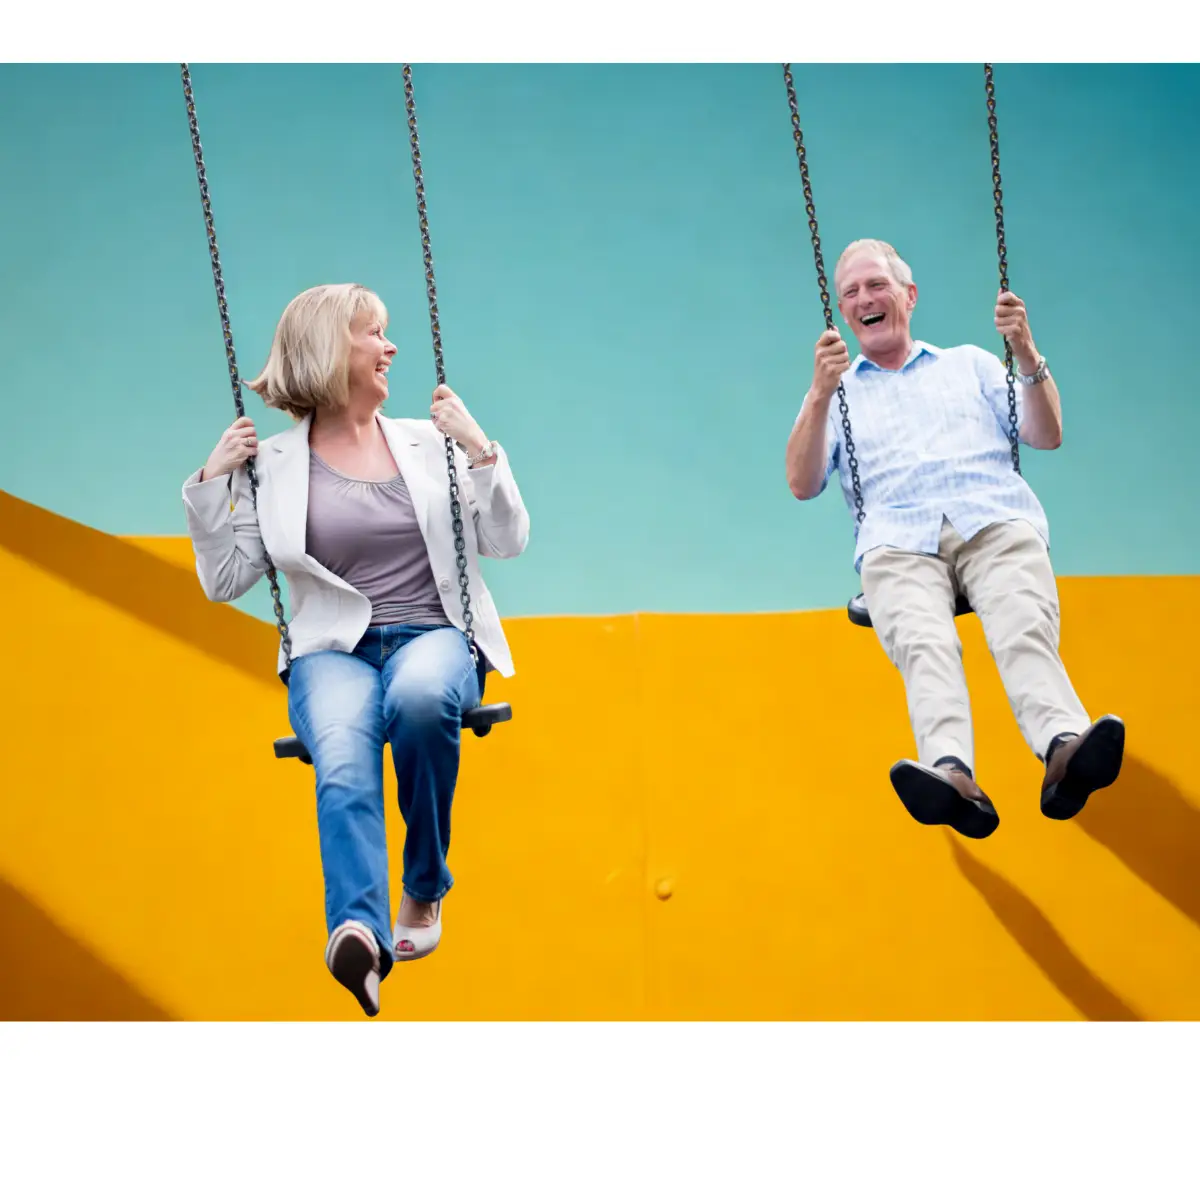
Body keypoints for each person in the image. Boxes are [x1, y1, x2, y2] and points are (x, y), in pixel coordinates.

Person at [181, 283, 530, 1016]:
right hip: (330, 653)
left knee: (421, 698)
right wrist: (214, 481)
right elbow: (224, 579)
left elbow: (506, 539)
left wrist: (479, 447)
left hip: (434, 634)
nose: (390, 347)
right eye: (374, 333)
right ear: (330, 351)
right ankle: (358, 933)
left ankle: (424, 885)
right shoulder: (270, 464)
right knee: (341, 754)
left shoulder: (429, 443)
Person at [785, 238, 1124, 840]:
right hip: (898, 544)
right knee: (924, 643)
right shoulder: (836, 393)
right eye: (851, 294)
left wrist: (1024, 349)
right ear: (843, 311)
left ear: (908, 296)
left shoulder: (969, 363)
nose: (864, 299)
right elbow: (802, 482)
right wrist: (817, 393)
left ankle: (1064, 749)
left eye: (877, 286)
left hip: (990, 520)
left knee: (1022, 624)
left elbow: (1046, 434)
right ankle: (952, 774)